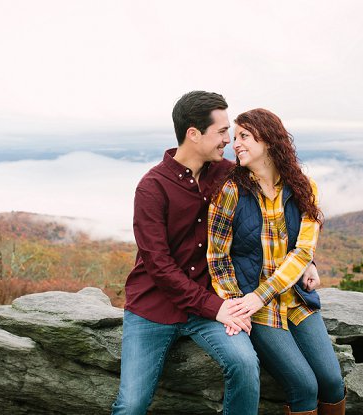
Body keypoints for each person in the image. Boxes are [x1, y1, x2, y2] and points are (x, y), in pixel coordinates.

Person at [111, 91, 260, 415]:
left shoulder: (228, 174)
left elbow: (277, 211)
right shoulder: (152, 187)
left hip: (212, 303)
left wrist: (307, 260)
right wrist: (216, 308)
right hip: (154, 306)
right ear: (193, 134)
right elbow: (159, 265)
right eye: (221, 131)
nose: (228, 139)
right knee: (132, 403)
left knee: (246, 366)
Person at [207, 108, 346, 415]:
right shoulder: (231, 191)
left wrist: (308, 267)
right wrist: (235, 305)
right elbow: (216, 257)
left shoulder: (303, 187)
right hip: (255, 307)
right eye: (234, 138)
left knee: (333, 382)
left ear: (268, 140)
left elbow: (303, 250)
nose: (235, 144)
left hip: (294, 298)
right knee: (304, 387)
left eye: (244, 136)